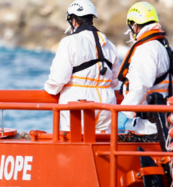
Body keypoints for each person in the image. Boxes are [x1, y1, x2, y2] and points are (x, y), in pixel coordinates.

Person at [43, 0, 119, 133]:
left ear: (73, 21)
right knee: (103, 143)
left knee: (74, 142)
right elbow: (114, 81)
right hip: (106, 102)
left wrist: (48, 89)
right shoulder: (110, 45)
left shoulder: (69, 42)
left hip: (77, 101)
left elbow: (59, 79)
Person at [113, 1, 173, 134]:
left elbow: (141, 85)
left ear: (135, 26)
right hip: (167, 124)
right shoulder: (165, 48)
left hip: (147, 126)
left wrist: (124, 113)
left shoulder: (145, 49)